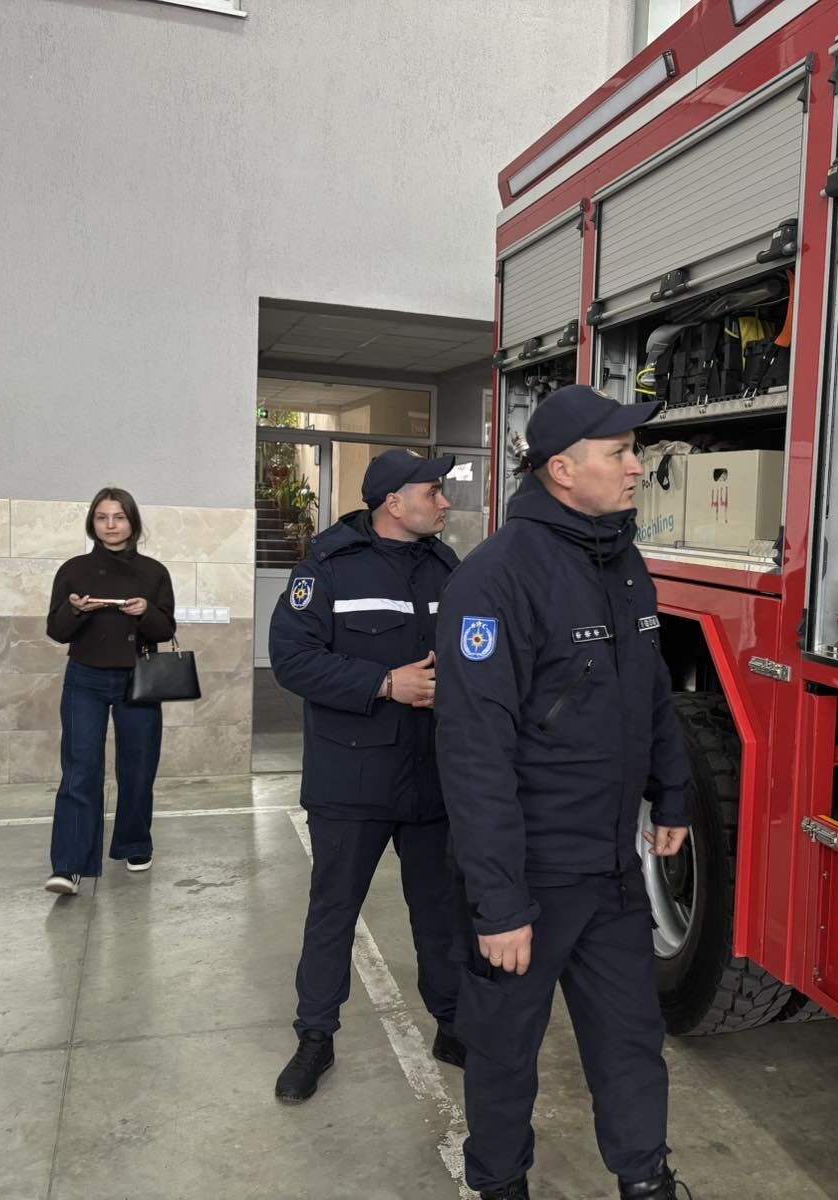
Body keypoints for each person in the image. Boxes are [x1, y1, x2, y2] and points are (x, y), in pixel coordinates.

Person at [435, 385, 694, 1200]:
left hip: (611, 871)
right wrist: (499, 903)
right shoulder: (495, 579)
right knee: (504, 1049)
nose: (636, 466)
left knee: (631, 1041)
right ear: (562, 470)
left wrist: (674, 795)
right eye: (619, 453)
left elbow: (651, 693)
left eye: (633, 450)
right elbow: (474, 753)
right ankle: (499, 1183)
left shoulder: (624, 564)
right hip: (530, 877)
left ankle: (645, 1181)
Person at [269, 449, 467, 1103]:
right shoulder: (327, 568)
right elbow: (292, 659)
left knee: (439, 909)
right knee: (334, 910)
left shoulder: (446, 568)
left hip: (430, 773)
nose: (444, 502)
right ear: (394, 502)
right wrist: (385, 683)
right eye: (433, 491)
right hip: (352, 775)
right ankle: (315, 1037)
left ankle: (452, 1022)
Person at [43, 487, 177, 896]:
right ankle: (69, 866)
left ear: (132, 522)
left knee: (138, 768)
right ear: (92, 523)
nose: (111, 525)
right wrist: (76, 609)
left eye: (119, 517)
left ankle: (134, 843)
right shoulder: (73, 570)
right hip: (84, 678)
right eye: (102, 517)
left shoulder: (154, 572)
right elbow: (56, 631)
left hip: (139, 678)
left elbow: (165, 630)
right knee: (80, 769)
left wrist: (146, 612)